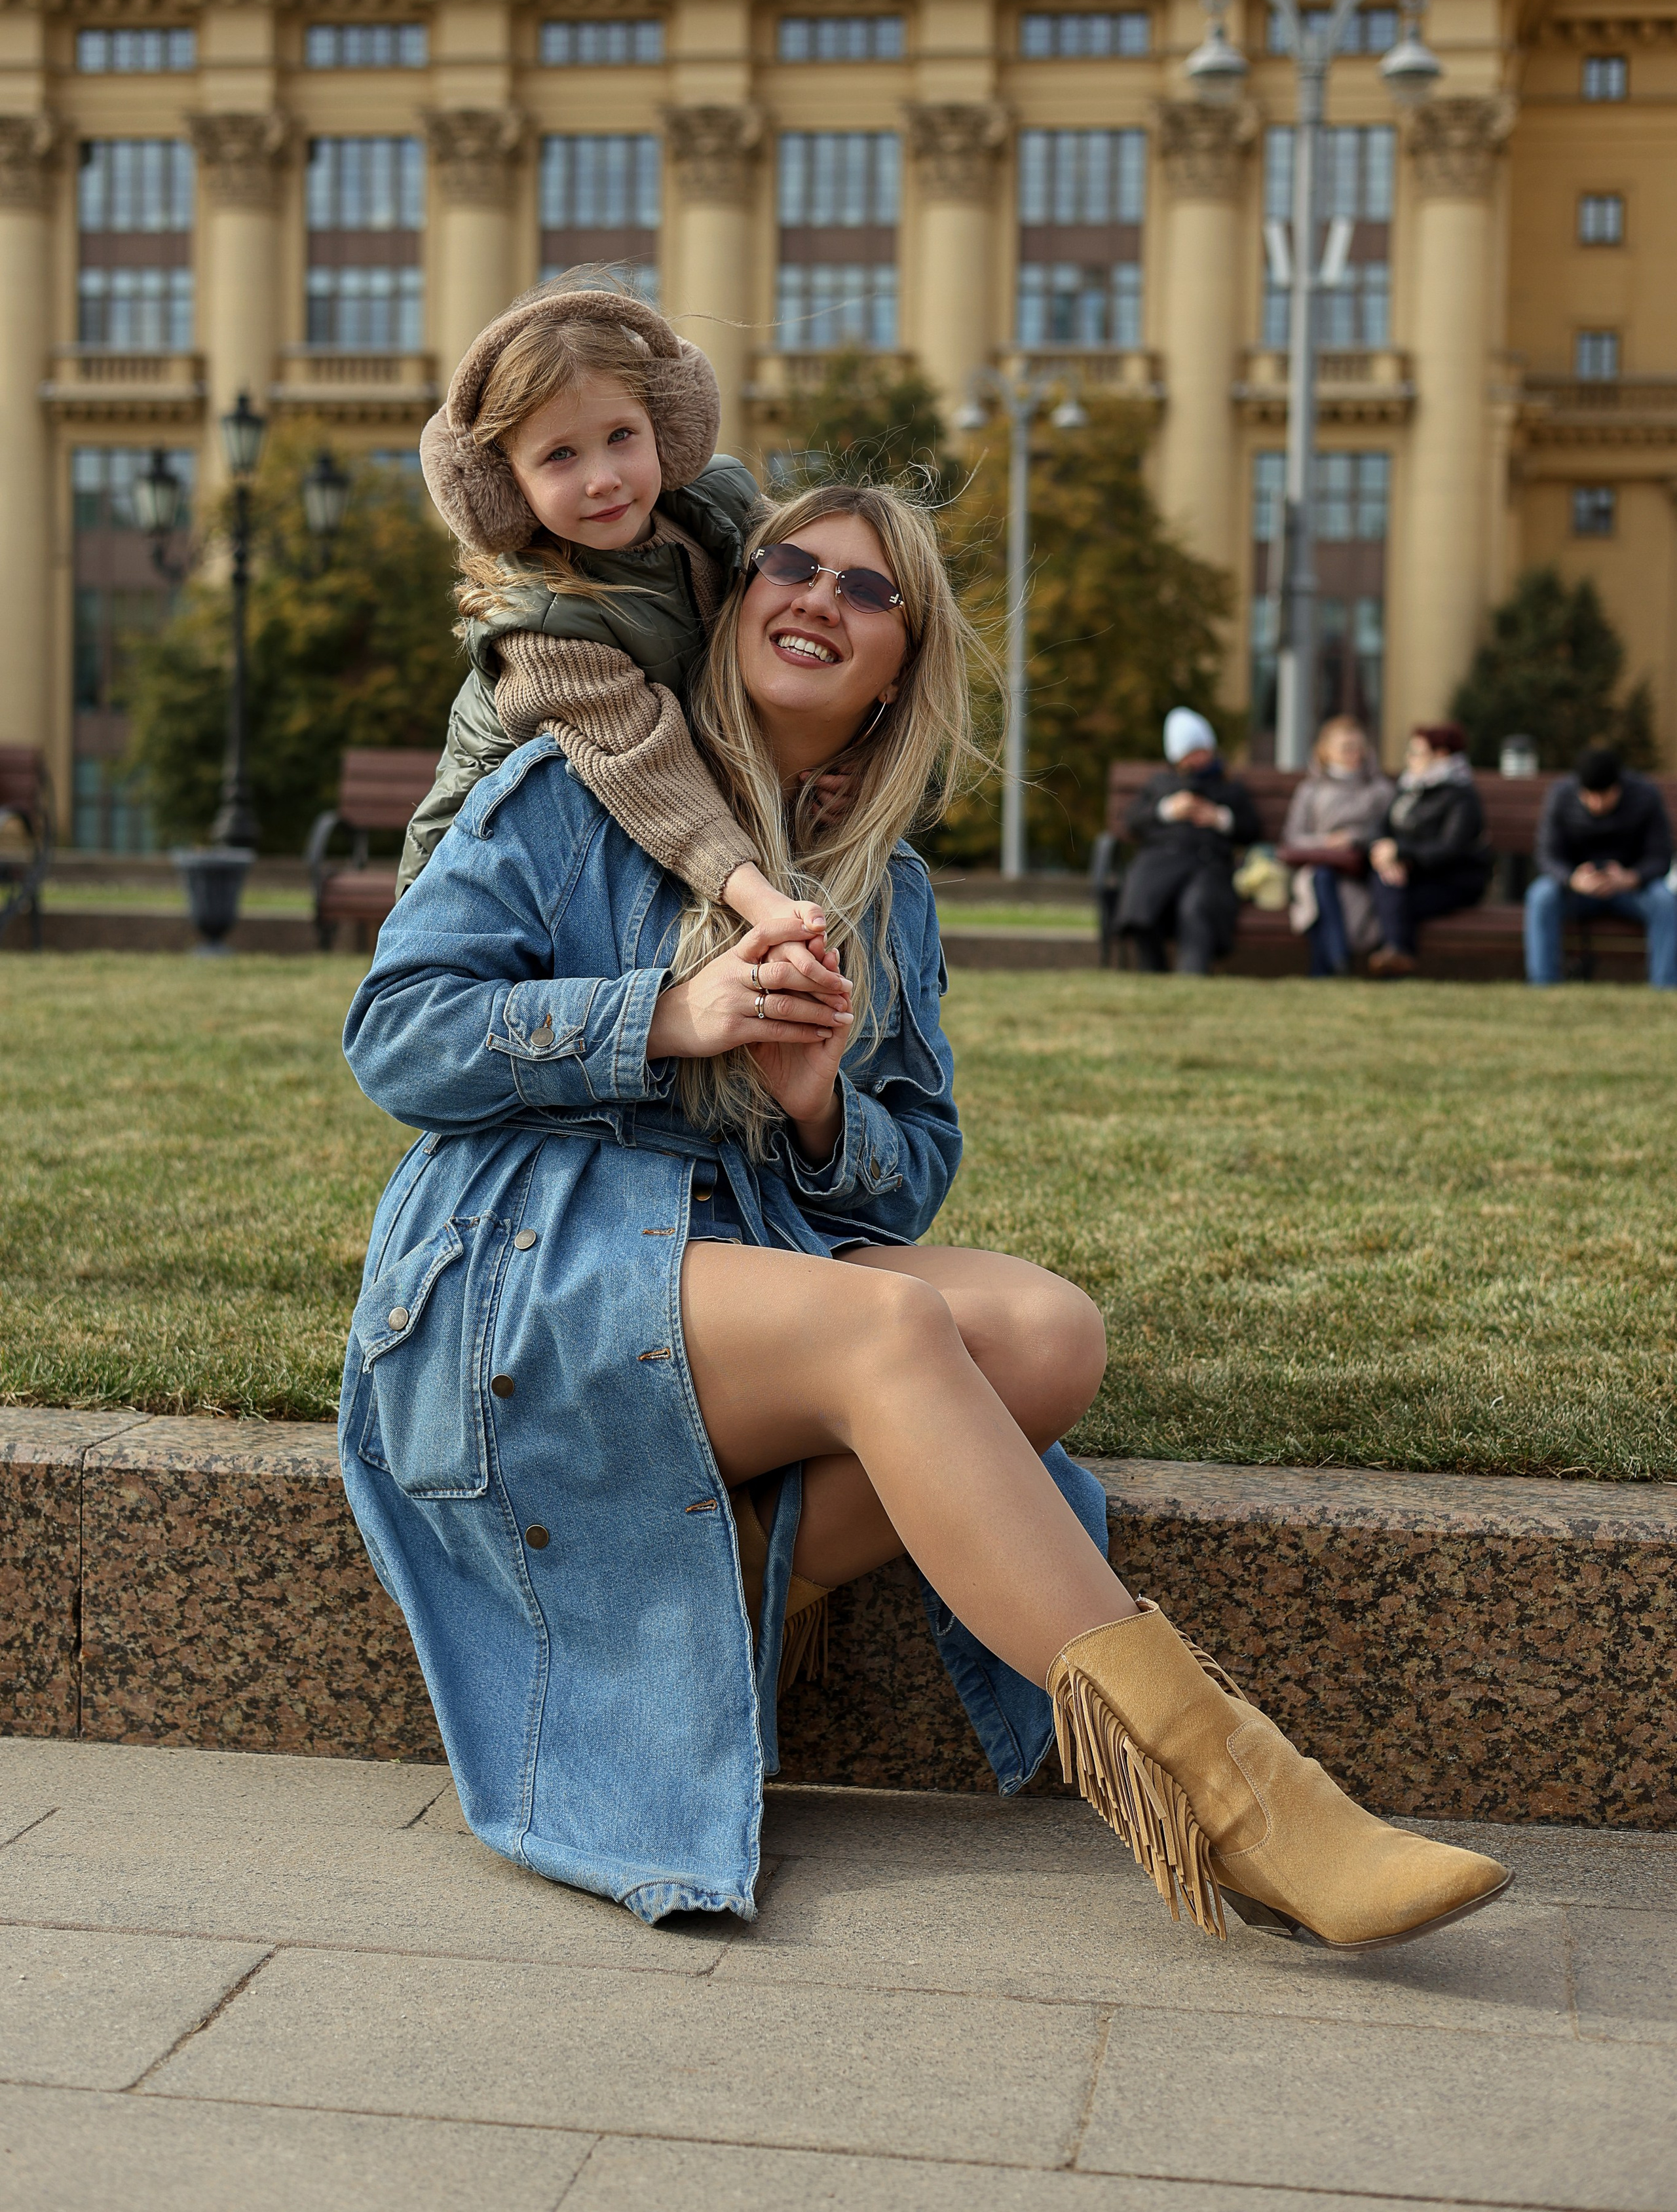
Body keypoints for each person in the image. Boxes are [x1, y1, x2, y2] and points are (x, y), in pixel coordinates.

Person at [339, 483, 1507, 1954]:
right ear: (739, 603)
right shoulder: (567, 792)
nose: (818, 597)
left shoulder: (884, 886)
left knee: (1042, 1333)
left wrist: (819, 1106)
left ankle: (750, 1593)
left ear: (904, 661)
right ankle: (1239, 1804)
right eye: (790, 564)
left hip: (733, 1263)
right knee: (895, 1328)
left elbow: (911, 1165)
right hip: (521, 1265)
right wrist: (668, 1015)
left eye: (867, 591)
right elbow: (394, 1035)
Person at [398, 275, 832, 948]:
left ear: (668, 427)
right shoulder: (542, 622)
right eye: (560, 455)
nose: (602, 477)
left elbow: (801, 628)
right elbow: (648, 769)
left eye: (621, 435)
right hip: (487, 891)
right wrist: (767, 904)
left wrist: (833, 762)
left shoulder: (721, 507)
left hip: (614, 854)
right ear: (502, 488)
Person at [1115, 709, 1262, 975]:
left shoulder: (1229, 787)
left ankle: (1191, 978)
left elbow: (1252, 829)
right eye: (1189, 752)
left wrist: (1220, 818)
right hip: (1161, 862)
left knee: (1197, 906)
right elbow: (1132, 822)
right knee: (1141, 899)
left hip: (1208, 864)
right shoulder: (1161, 785)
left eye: (1201, 749)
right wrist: (1167, 810)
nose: (1198, 757)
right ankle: (1152, 976)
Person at [1524, 746, 1676, 988]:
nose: (1596, 803)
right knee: (1541, 895)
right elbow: (1547, 855)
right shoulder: (1561, 795)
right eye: (1589, 795)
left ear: (1619, 786)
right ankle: (1543, 985)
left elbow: (1660, 856)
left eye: (1604, 795)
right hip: (1577, 889)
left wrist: (1631, 878)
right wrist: (1573, 878)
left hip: (1630, 888)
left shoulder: (1645, 795)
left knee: (1666, 901)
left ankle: (1666, 986)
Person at [1366, 722, 1490, 978]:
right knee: (1387, 882)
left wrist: (1401, 853)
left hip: (1454, 880)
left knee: (1395, 898)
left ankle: (1397, 956)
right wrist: (1386, 853)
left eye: (1416, 752)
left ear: (1441, 755)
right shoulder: (1410, 786)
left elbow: (1449, 849)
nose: (1408, 758)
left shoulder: (1461, 795)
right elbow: (1381, 827)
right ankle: (1399, 956)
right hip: (1412, 874)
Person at [1279, 718, 1394, 978]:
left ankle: (1325, 970)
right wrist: (1326, 843)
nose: (1353, 754)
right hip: (1317, 867)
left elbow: (1387, 833)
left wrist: (1353, 838)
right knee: (1321, 879)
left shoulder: (1380, 790)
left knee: (1328, 889)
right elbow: (1292, 837)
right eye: (1345, 748)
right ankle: (1338, 960)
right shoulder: (1310, 790)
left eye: (1357, 747)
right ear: (1326, 751)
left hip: (1360, 870)